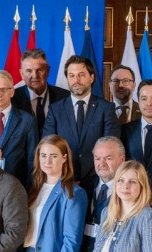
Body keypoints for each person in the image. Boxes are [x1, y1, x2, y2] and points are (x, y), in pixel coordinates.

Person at [43, 56, 120, 191]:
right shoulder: (55, 109)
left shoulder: (106, 108)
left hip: (97, 182)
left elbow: (111, 147)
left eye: (81, 75)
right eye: (71, 75)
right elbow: (48, 146)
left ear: (91, 77)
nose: (76, 80)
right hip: (63, 182)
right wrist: (66, 177)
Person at [0, 70, 39, 188]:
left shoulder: (28, 120)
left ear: (12, 92)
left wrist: (29, 191)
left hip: (16, 186)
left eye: (3, 90)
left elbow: (32, 161)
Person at [12, 49, 68, 132]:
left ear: (48, 71)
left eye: (40, 70)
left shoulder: (65, 97)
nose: (35, 76)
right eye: (29, 71)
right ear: (21, 74)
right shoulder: (12, 99)